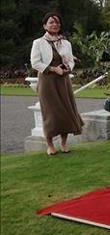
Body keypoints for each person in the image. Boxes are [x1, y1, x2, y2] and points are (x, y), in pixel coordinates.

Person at [30, 12, 84, 156]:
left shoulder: (66, 43)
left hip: (63, 80)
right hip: (47, 80)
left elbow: (70, 61)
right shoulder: (38, 43)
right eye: (51, 22)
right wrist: (54, 69)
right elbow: (35, 63)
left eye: (57, 22)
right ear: (45, 26)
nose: (54, 25)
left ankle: (63, 143)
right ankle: (49, 145)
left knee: (65, 110)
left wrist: (67, 69)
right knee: (50, 112)